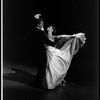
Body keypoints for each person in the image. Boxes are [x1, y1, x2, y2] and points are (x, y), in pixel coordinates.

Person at [34, 14, 86, 89]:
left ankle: (57, 80)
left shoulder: (54, 36)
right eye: (48, 26)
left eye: (50, 27)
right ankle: (52, 81)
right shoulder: (44, 33)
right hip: (48, 52)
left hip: (51, 52)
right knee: (49, 68)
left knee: (53, 67)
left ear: (52, 30)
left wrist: (72, 36)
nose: (48, 27)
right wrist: (37, 18)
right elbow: (41, 28)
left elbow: (63, 36)